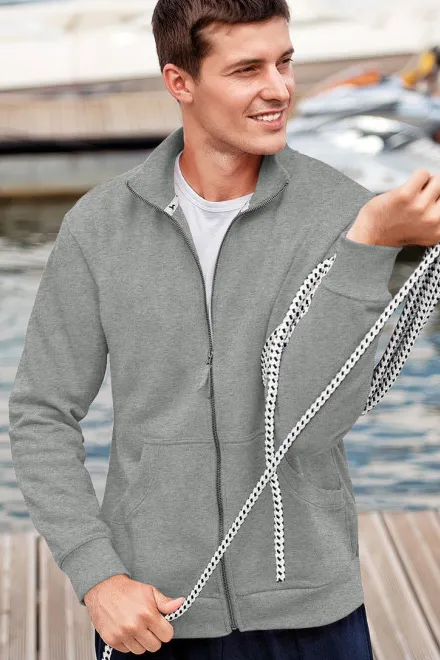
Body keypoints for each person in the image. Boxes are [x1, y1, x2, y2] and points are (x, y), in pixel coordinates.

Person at [13, 0, 430, 658]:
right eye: (246, 69)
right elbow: (41, 413)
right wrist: (97, 577)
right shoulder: (99, 227)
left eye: (284, 62)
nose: (279, 88)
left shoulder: (345, 216)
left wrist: (369, 249)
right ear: (180, 81)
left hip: (313, 610)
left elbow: (310, 425)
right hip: (155, 610)